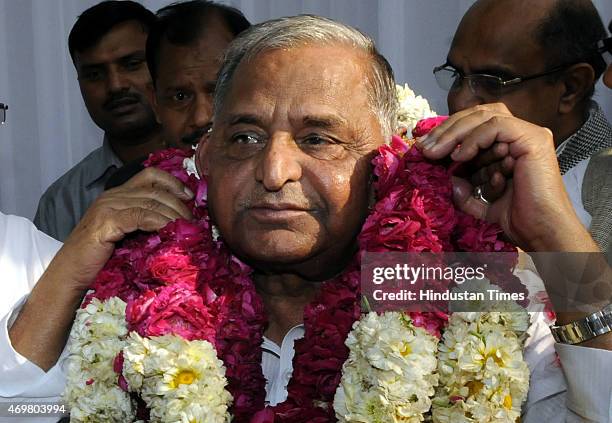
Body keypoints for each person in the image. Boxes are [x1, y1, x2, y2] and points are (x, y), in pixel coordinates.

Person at [4, 15, 611, 422]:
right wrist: (74, 262)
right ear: (205, 157)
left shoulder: (442, 283)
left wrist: (554, 234)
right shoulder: (134, 288)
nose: (274, 171)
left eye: (319, 138)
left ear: (389, 160)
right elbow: (21, 410)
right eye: (244, 137)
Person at [434, 0, 612, 243]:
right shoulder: (447, 172)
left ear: (572, 87)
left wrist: (549, 235)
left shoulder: (603, 196)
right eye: (457, 75)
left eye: (493, 82)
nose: (461, 102)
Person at [33, 1, 169, 242]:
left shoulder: (213, 169)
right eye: (95, 74)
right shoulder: (62, 202)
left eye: (131, 64)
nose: (115, 85)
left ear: (163, 67)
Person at [103, 0, 251, 189]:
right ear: (155, 103)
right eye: (180, 97)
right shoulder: (130, 189)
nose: (201, 118)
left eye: (218, 92)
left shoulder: (286, 179)